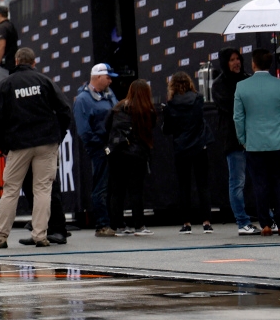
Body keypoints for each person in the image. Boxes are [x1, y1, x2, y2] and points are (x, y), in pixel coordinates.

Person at [0, 48, 72, 249]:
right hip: (46, 142)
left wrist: (5, 146)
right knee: (43, 189)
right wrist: (58, 136)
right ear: (34, 63)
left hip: (19, 145)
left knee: (10, 190)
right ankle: (40, 235)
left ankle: (0, 237)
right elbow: (65, 110)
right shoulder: (44, 81)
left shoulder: (6, 84)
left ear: (16, 61)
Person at [235, 49, 280, 236]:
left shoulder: (242, 87)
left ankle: (266, 224)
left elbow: (238, 118)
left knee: (260, 184)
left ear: (253, 64)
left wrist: (243, 140)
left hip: (255, 144)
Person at [212, 48, 259, 235]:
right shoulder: (219, 85)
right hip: (233, 139)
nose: (236, 62)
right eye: (231, 59)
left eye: (238, 58)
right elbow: (233, 107)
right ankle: (243, 222)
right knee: (237, 182)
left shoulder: (249, 79)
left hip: (255, 138)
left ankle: (266, 218)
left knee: (260, 180)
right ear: (225, 62)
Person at [163, 72, 214, 234]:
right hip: (199, 145)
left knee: (184, 185)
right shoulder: (198, 99)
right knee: (203, 184)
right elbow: (200, 121)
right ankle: (206, 222)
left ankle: (186, 223)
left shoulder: (170, 104)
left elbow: (168, 129)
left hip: (181, 147)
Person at [105, 79, 157, 235]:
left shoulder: (117, 107)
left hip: (116, 153)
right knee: (136, 190)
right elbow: (150, 130)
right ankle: (139, 226)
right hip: (137, 154)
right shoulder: (148, 110)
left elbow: (107, 127)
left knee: (116, 190)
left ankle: (117, 225)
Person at [73, 63, 119, 237]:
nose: (110, 82)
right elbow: (83, 130)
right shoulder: (83, 99)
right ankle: (102, 224)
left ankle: (114, 222)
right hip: (100, 149)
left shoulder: (108, 95)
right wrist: (100, 144)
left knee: (112, 186)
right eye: (108, 78)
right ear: (98, 77)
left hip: (113, 146)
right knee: (100, 186)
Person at [0, 6, 18, 71]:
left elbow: (2, 45)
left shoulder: (2, 27)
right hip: (13, 61)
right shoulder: (10, 25)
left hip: (5, 64)